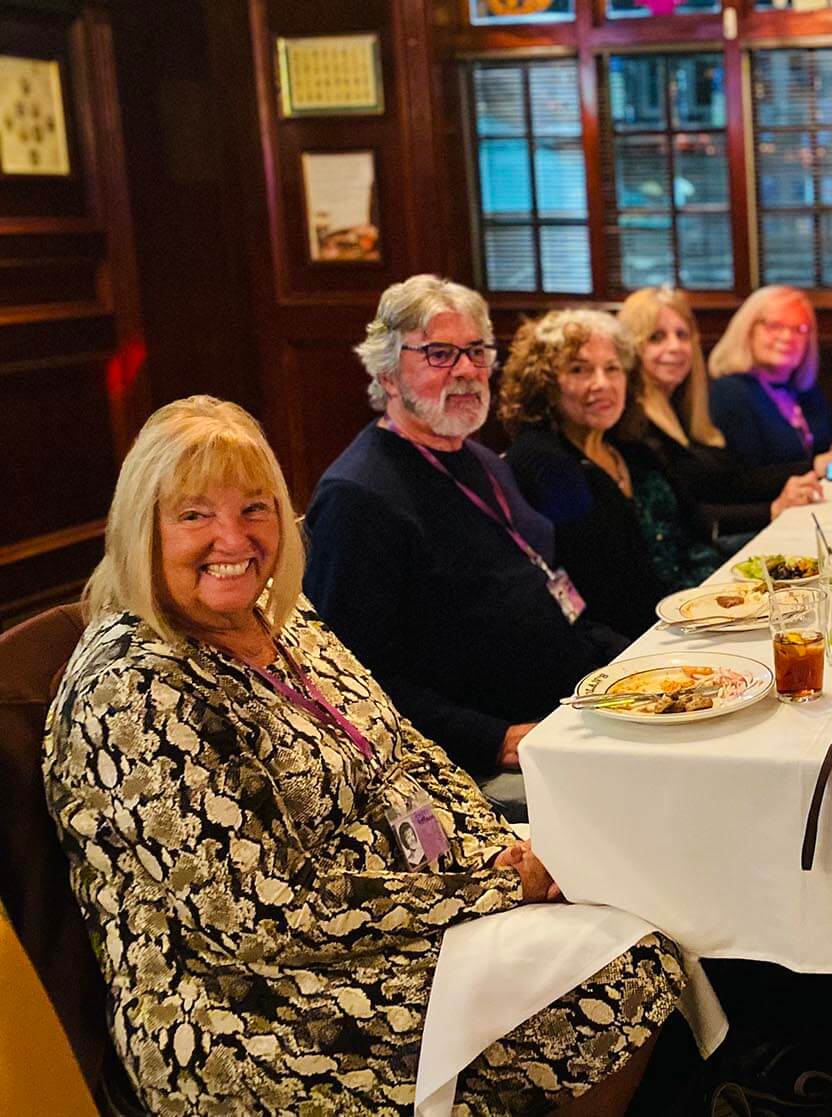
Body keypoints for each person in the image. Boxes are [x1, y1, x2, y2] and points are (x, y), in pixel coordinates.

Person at [45, 396, 683, 1116]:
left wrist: (501, 852)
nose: (233, 537)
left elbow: (406, 749)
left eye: (255, 508)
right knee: (615, 984)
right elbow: (261, 916)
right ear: (143, 528)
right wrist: (501, 889)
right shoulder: (134, 686)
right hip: (246, 1002)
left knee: (632, 902)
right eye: (194, 515)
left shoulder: (281, 618)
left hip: (390, 904)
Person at [303, 275, 630, 820]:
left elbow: (546, 588)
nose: (465, 371)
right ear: (386, 369)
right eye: (439, 353)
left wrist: (640, 659)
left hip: (572, 710)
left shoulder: (476, 458)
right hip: (482, 766)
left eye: (476, 351)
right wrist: (497, 739)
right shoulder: (358, 497)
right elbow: (353, 682)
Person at [500, 307, 722, 638]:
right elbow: (600, 594)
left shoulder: (631, 450)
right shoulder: (542, 462)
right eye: (579, 369)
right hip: (644, 641)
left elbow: (694, 530)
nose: (601, 384)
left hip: (703, 607)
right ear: (544, 384)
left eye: (612, 369)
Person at [619, 285, 822, 537]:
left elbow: (729, 482)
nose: (675, 347)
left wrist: (808, 472)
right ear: (630, 348)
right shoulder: (634, 425)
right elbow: (682, 519)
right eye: (656, 337)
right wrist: (772, 510)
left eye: (682, 335)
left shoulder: (683, 409)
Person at [708, 285, 832, 472]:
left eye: (799, 329)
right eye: (774, 326)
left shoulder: (804, 390)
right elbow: (743, 477)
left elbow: (830, 443)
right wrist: (816, 466)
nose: (787, 337)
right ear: (748, 330)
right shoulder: (730, 392)